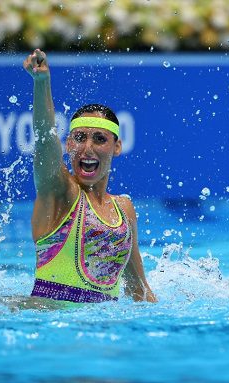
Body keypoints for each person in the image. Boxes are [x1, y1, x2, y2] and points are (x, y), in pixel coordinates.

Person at [23, 49, 156, 303]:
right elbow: (44, 139)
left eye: (99, 139)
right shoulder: (59, 192)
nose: (87, 149)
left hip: (103, 331)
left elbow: (139, 290)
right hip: (47, 326)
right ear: (68, 144)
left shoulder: (123, 209)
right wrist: (42, 83)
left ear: (116, 147)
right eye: (80, 138)